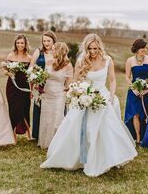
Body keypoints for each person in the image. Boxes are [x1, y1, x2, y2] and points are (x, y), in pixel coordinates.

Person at [40, 34, 137, 177]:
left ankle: (106, 158)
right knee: (84, 128)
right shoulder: (81, 61)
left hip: (102, 97)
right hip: (85, 97)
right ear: (86, 48)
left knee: (104, 129)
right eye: (90, 49)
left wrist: (111, 95)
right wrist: (78, 93)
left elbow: (112, 80)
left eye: (95, 48)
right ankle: (81, 159)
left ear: (100, 47)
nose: (92, 52)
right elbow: (75, 80)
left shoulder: (108, 60)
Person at [38, 42, 73, 149]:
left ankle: (57, 144)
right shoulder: (48, 62)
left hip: (59, 94)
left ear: (60, 51)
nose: (51, 51)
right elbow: (43, 77)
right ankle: (45, 142)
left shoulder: (68, 65)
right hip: (47, 92)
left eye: (53, 49)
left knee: (58, 118)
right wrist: (37, 81)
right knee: (46, 118)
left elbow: (69, 83)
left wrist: (67, 92)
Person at [30, 31, 57, 140]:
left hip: (53, 84)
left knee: (52, 108)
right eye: (44, 41)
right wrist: (34, 78)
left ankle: (51, 133)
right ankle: (37, 134)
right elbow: (31, 67)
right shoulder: (39, 51)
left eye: (48, 41)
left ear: (54, 41)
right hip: (39, 84)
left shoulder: (57, 51)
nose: (46, 43)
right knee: (39, 107)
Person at [5, 35, 32, 143]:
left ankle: (29, 133)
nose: (20, 45)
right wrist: (9, 72)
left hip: (24, 86)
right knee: (13, 110)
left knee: (25, 108)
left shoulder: (29, 58)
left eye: (22, 43)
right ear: (15, 44)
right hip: (12, 86)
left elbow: (30, 75)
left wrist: (31, 90)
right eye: (18, 43)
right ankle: (13, 135)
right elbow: (5, 71)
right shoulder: (10, 55)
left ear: (25, 44)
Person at [124, 38, 148, 142]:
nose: (145, 49)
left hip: (147, 90)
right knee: (135, 114)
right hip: (134, 91)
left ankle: (145, 136)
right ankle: (137, 137)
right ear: (137, 49)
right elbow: (127, 77)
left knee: (145, 113)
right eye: (143, 47)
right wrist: (133, 88)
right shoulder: (130, 60)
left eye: (145, 47)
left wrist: (147, 88)